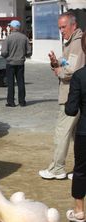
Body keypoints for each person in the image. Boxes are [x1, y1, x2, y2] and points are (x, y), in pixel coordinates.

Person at [39, 12, 85, 180]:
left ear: (73, 25)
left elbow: (71, 72)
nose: (61, 30)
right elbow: (66, 63)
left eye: (63, 27)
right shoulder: (73, 42)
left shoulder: (77, 43)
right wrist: (55, 63)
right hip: (76, 96)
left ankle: (57, 168)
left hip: (71, 97)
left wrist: (58, 70)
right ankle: (81, 170)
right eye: (59, 27)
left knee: (62, 133)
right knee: (77, 135)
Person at [65, 31, 86, 222]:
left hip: (84, 132)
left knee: (80, 171)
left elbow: (71, 110)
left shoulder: (79, 76)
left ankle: (79, 212)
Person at [1, 20, 32, 107]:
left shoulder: (8, 38)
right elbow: (29, 52)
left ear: (12, 28)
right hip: (21, 63)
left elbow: (3, 52)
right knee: (21, 82)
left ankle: (11, 101)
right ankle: (22, 101)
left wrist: (7, 56)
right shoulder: (24, 38)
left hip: (10, 63)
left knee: (11, 83)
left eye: (10, 26)